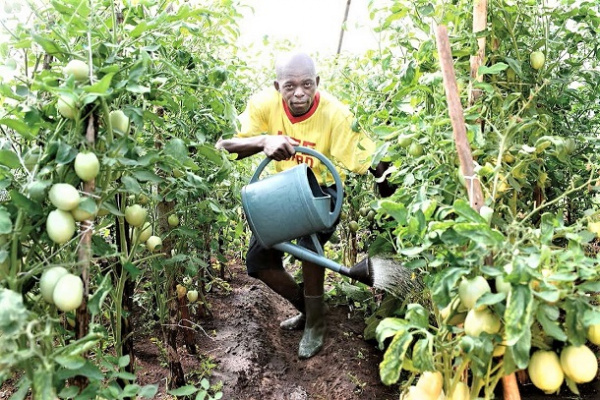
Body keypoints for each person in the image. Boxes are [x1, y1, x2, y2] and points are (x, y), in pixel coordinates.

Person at [216, 51, 394, 359]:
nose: (299, 93)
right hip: (285, 190)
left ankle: (316, 324)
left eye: (307, 84)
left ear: (317, 83)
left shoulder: (335, 114)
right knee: (259, 262)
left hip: (323, 189)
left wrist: (392, 196)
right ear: (277, 86)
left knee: (311, 249)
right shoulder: (263, 105)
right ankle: (310, 309)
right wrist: (263, 141)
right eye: (290, 86)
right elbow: (225, 145)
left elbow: (372, 159)